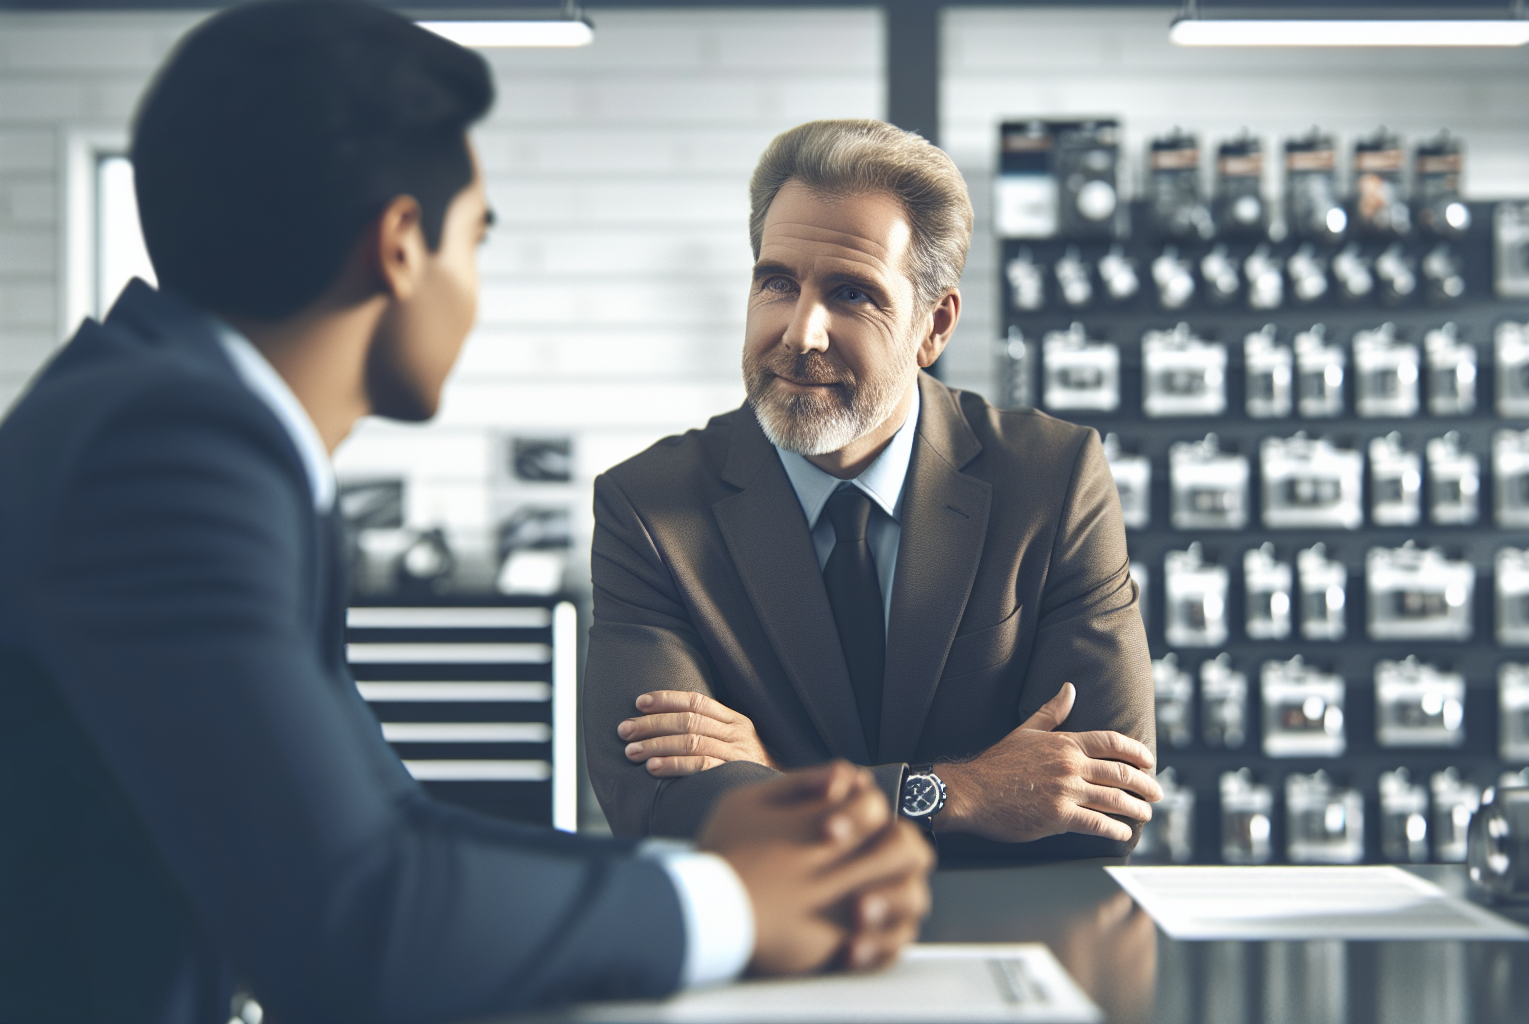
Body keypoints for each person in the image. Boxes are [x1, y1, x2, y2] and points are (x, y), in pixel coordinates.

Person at [0, 6, 931, 1023]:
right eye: (473, 240)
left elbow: (385, 831)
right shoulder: (170, 453)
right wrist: (729, 904)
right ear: (400, 247)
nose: (474, 291)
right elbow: (358, 916)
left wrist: (722, 857)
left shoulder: (177, 421)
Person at [584, 119, 1161, 863]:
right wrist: (962, 793)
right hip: (775, 955)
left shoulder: (1053, 479)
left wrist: (776, 782)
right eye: (777, 283)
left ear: (935, 325)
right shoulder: (652, 510)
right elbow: (660, 807)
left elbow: (1105, 803)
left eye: (852, 293)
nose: (801, 333)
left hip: (1010, 940)